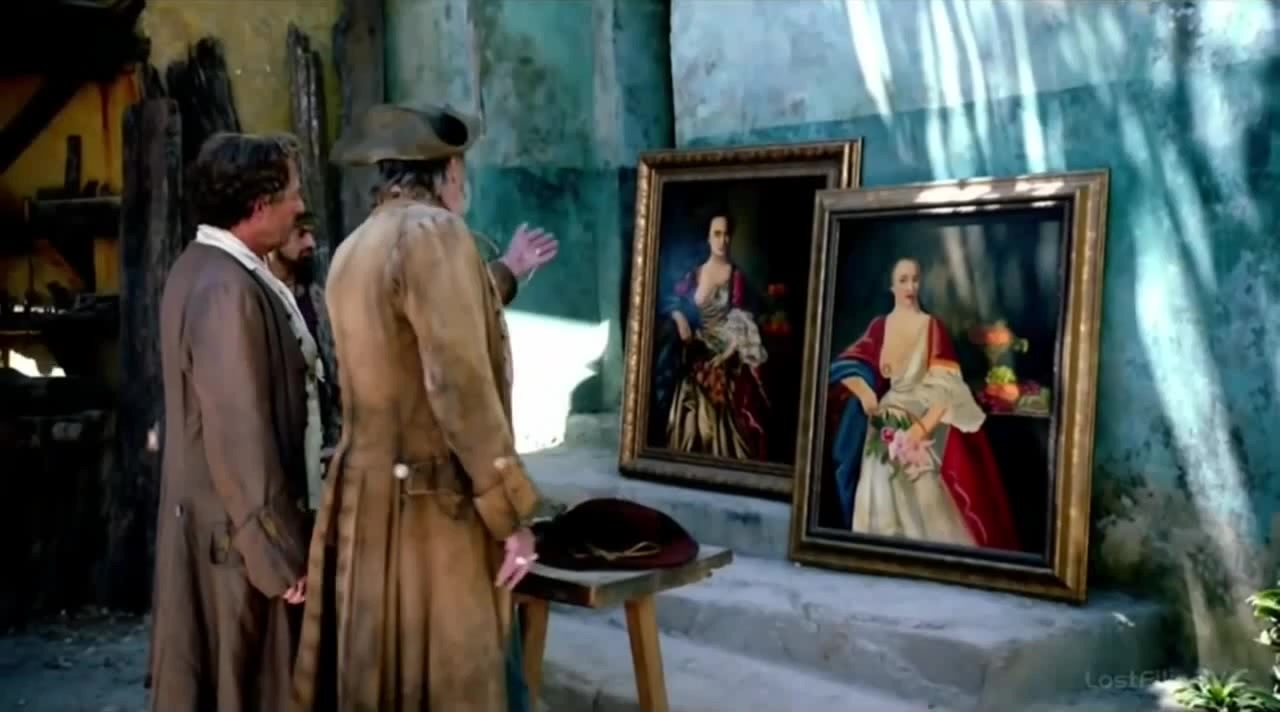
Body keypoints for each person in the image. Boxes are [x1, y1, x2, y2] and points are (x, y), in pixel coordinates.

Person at [290, 103, 543, 711]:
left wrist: (507, 273)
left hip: (370, 499)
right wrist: (510, 515)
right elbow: (457, 384)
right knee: (451, 679)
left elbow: (417, 330)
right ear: (449, 170)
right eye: (462, 169)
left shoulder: (356, 246)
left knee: (387, 679)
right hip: (432, 507)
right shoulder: (436, 234)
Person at [148, 132, 314, 710]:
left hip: (222, 526)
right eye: (292, 194)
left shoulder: (207, 267)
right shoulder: (225, 287)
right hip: (233, 538)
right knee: (243, 685)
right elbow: (240, 434)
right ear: (259, 206)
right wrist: (278, 552)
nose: (299, 207)